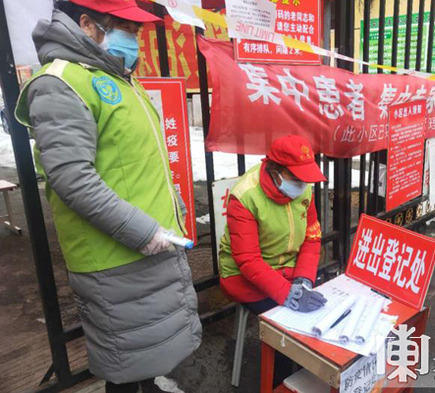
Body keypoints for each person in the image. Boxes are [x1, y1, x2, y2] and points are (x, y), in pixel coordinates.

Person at [15, 1, 202, 392]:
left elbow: (137, 164)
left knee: (145, 352)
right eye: (124, 28)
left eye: (136, 32)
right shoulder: (60, 82)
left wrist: (174, 211)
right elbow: (72, 179)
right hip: (117, 254)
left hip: (148, 242)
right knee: (126, 361)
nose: (134, 40)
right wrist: (143, 231)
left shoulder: (116, 77)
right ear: (86, 23)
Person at [218, 135, 327, 384]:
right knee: (286, 326)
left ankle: (310, 378)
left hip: (288, 270)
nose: (302, 184)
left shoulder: (304, 187)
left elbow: (312, 236)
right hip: (243, 276)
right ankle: (281, 384)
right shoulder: (245, 196)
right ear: (275, 171)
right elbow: (247, 260)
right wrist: (287, 294)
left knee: (318, 314)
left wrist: (303, 280)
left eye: (305, 177)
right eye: (296, 177)